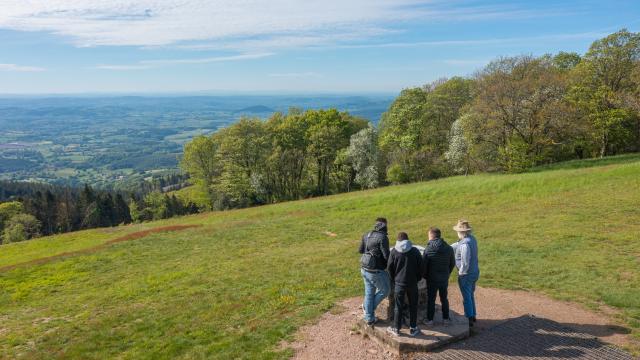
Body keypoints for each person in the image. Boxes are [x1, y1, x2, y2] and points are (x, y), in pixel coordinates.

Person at [386, 232, 423, 337]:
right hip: (412, 283)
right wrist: (417, 278)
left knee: (398, 306)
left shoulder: (394, 252)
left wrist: (394, 279)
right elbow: (421, 267)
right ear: (408, 240)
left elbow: (389, 268)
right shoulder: (415, 251)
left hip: (399, 283)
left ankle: (396, 329)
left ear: (398, 241)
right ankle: (413, 328)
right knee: (413, 305)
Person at [359, 217, 391, 326]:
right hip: (375, 271)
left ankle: (369, 318)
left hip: (364, 268)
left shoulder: (366, 235)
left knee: (369, 292)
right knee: (385, 290)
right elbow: (386, 256)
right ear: (385, 226)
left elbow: (360, 250)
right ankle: (368, 308)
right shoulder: (383, 237)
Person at [422, 227, 455, 326]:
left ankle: (430, 320)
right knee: (444, 298)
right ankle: (446, 319)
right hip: (444, 278)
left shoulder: (428, 249)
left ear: (431, 236)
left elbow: (424, 267)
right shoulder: (449, 248)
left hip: (432, 279)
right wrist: (447, 273)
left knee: (431, 299)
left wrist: (426, 276)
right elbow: (452, 263)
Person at [450, 220, 480, 327]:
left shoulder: (464, 245)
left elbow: (465, 262)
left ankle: (469, 318)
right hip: (475, 271)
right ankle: (473, 314)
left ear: (461, 232)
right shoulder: (472, 239)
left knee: (466, 296)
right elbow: (457, 244)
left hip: (466, 274)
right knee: (470, 294)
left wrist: (462, 273)